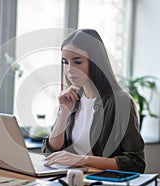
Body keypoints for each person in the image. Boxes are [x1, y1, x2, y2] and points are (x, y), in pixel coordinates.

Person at [42, 29, 145, 173]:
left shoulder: (120, 101)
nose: (69, 70)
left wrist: (83, 160)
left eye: (77, 62)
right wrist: (64, 112)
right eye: (65, 62)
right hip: (71, 181)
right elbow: (51, 151)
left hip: (102, 185)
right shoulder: (72, 98)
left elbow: (136, 163)